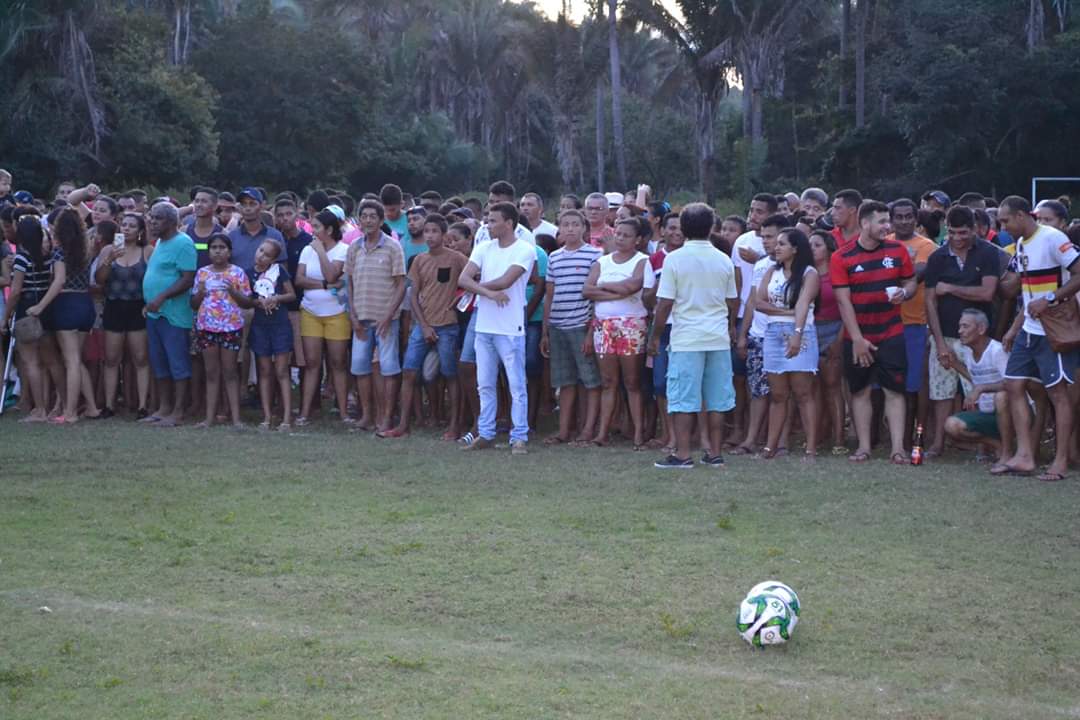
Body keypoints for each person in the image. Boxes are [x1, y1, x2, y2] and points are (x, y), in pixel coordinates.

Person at [648, 203, 739, 469]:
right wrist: (730, 326)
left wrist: (655, 337)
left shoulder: (674, 259)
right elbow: (732, 300)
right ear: (712, 227)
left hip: (687, 337)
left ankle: (683, 454)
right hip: (717, 337)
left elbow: (664, 303)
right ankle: (714, 453)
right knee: (716, 399)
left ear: (683, 228)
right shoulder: (723, 259)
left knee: (683, 398)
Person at [996, 195, 1080, 481]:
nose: (1003, 227)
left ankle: (1059, 462)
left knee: (1058, 393)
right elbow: (1026, 292)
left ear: (1021, 215)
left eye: (1006, 221)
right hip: (1030, 329)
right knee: (1013, 384)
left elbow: (1078, 273)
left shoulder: (1053, 238)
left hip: (1053, 329)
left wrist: (1051, 299)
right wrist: (1015, 327)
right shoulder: (1020, 245)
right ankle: (1025, 456)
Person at [831, 200, 916, 464]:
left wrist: (906, 292)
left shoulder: (897, 250)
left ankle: (898, 449)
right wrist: (857, 339)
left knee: (895, 390)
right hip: (858, 335)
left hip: (891, 332)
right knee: (860, 391)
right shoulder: (841, 257)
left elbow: (910, 280)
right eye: (881, 221)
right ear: (864, 223)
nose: (887, 226)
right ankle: (864, 447)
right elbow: (843, 302)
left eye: (887, 221)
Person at [457, 201, 535, 455]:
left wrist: (479, 288)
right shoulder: (483, 248)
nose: (488, 225)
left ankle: (519, 435)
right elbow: (464, 279)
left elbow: (507, 280)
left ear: (509, 223)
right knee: (485, 383)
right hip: (484, 325)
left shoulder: (525, 249)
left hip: (510, 327)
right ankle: (486, 432)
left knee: (516, 384)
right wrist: (488, 294)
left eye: (493, 221)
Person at [382, 214, 468, 439]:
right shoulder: (420, 260)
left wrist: (459, 300)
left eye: (435, 231)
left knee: (450, 375)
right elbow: (414, 296)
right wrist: (424, 325)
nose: (430, 236)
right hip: (423, 326)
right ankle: (402, 425)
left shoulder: (457, 259)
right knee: (409, 372)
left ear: (444, 234)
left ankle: (454, 425)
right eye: (427, 231)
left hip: (448, 325)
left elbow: (473, 281)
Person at [923, 205, 1000, 457]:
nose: (957, 238)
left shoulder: (988, 253)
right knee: (941, 391)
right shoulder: (937, 257)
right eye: (953, 232)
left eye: (963, 233)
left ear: (975, 229)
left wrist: (950, 287)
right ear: (947, 228)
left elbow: (987, 292)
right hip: (944, 332)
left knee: (977, 390)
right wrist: (939, 342)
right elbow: (930, 302)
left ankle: (983, 445)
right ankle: (938, 443)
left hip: (977, 338)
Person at [583, 217, 655, 448]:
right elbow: (587, 290)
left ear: (638, 239)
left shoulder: (644, 261)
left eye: (627, 235)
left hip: (631, 325)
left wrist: (603, 288)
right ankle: (602, 433)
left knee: (632, 382)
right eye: (619, 234)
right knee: (608, 381)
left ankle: (638, 434)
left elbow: (632, 287)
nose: (621, 238)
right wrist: (617, 292)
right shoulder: (602, 262)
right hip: (603, 325)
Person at [26, 208, 101, 423]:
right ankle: (92, 407)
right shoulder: (87, 250)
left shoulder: (60, 253)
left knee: (71, 360)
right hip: (85, 304)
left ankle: (70, 412)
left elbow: (59, 282)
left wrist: (40, 306)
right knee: (77, 360)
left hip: (67, 305)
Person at [756, 228, 820, 460]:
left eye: (782, 244)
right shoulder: (771, 271)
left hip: (800, 332)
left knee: (803, 393)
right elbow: (759, 302)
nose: (777, 247)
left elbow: (803, 304)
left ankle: (810, 448)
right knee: (778, 394)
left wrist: (797, 333)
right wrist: (786, 311)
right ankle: (769, 447)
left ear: (795, 248)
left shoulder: (809, 273)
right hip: (773, 332)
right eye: (777, 243)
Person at [540, 209, 603, 445]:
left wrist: (590, 331)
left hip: (581, 324)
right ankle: (564, 431)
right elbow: (549, 294)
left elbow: (596, 296)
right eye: (565, 224)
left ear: (584, 228)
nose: (570, 229)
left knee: (590, 381)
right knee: (564, 381)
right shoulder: (554, 257)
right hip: (557, 325)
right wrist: (545, 330)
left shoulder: (595, 255)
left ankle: (588, 430)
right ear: (559, 228)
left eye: (575, 224)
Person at [345, 199, 406, 433]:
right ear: (359, 220)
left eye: (373, 216)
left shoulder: (392, 247)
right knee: (360, 368)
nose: (368, 220)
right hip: (361, 318)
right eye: (364, 216)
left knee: (389, 368)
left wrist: (389, 315)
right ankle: (367, 416)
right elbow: (348, 282)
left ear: (381, 220)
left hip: (386, 320)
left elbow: (401, 284)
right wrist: (352, 314)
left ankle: (386, 417)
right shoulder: (355, 247)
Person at [733, 214, 786, 455]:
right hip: (758, 334)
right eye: (763, 237)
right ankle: (750, 439)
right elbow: (752, 301)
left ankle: (781, 441)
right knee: (757, 390)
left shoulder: (799, 267)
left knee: (784, 391)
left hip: (784, 335)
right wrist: (743, 335)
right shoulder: (762, 265)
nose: (765, 241)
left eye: (770, 237)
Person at [887, 198, 937, 449]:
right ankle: (889, 437)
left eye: (909, 216)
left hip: (914, 322)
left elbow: (917, 274)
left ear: (916, 219)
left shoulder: (927, 246)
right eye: (899, 216)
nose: (904, 221)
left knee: (914, 384)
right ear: (891, 219)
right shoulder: (883, 244)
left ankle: (916, 435)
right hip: (885, 322)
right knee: (884, 383)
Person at [94, 212, 153, 418]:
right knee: (111, 359)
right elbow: (99, 280)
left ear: (140, 231)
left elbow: (153, 281)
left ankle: (142, 405)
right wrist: (109, 261)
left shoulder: (147, 251)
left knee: (140, 358)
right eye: (123, 225)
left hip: (138, 307)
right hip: (114, 306)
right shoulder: (109, 250)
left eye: (131, 225)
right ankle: (109, 405)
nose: (126, 228)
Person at [295, 208, 350, 426]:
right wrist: (326, 286)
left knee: (338, 362)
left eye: (316, 227)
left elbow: (332, 273)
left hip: (337, 313)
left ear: (329, 229)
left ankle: (344, 412)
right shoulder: (307, 250)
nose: (312, 231)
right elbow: (299, 279)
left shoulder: (343, 250)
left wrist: (320, 252)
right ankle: (305, 412)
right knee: (311, 363)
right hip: (310, 311)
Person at [190, 234, 250, 428]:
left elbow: (247, 301)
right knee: (211, 372)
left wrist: (233, 291)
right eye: (214, 247)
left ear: (229, 251)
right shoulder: (202, 274)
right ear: (209, 251)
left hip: (230, 327)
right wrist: (199, 292)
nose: (217, 251)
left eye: (222, 247)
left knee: (230, 371)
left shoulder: (238, 273)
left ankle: (236, 418)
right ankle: (209, 418)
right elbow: (193, 304)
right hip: (207, 327)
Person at [942, 309, 1012, 463]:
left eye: (965, 326)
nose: (960, 331)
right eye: (960, 326)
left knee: (1001, 397)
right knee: (951, 425)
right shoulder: (968, 352)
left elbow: (1011, 383)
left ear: (981, 329)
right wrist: (954, 364)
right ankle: (997, 445)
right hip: (989, 415)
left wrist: (981, 389)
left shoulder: (997, 351)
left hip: (1012, 414)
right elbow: (977, 379)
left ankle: (1007, 453)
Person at [240, 240, 296, 431]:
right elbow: (248, 300)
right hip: (260, 325)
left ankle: (287, 417)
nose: (261, 256)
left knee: (281, 370)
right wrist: (258, 303)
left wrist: (276, 298)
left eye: (267, 254)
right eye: (260, 251)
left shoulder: (279, 271)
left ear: (274, 259)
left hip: (279, 324)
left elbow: (291, 295)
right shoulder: (247, 273)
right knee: (264, 371)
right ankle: (266, 416)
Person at [2, 215, 52, 421]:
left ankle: (39, 408)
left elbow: (15, 291)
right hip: (45, 309)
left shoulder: (22, 258)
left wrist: (5, 318)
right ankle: (43, 406)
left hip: (26, 310)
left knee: (30, 362)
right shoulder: (47, 255)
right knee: (45, 361)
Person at [643, 212, 685, 451]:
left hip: (686, 326)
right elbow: (647, 299)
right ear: (663, 230)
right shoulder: (655, 259)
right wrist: (661, 285)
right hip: (662, 325)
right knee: (660, 383)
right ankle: (669, 433)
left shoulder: (690, 257)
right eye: (671, 228)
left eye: (681, 228)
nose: (676, 232)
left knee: (685, 382)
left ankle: (686, 435)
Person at [810, 229, 845, 452]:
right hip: (811, 330)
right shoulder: (806, 274)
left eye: (817, 245)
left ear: (829, 248)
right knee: (813, 388)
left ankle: (840, 438)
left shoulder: (838, 273)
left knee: (833, 386)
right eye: (810, 245)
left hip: (834, 329)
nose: (812, 249)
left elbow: (846, 308)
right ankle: (819, 433)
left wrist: (840, 340)